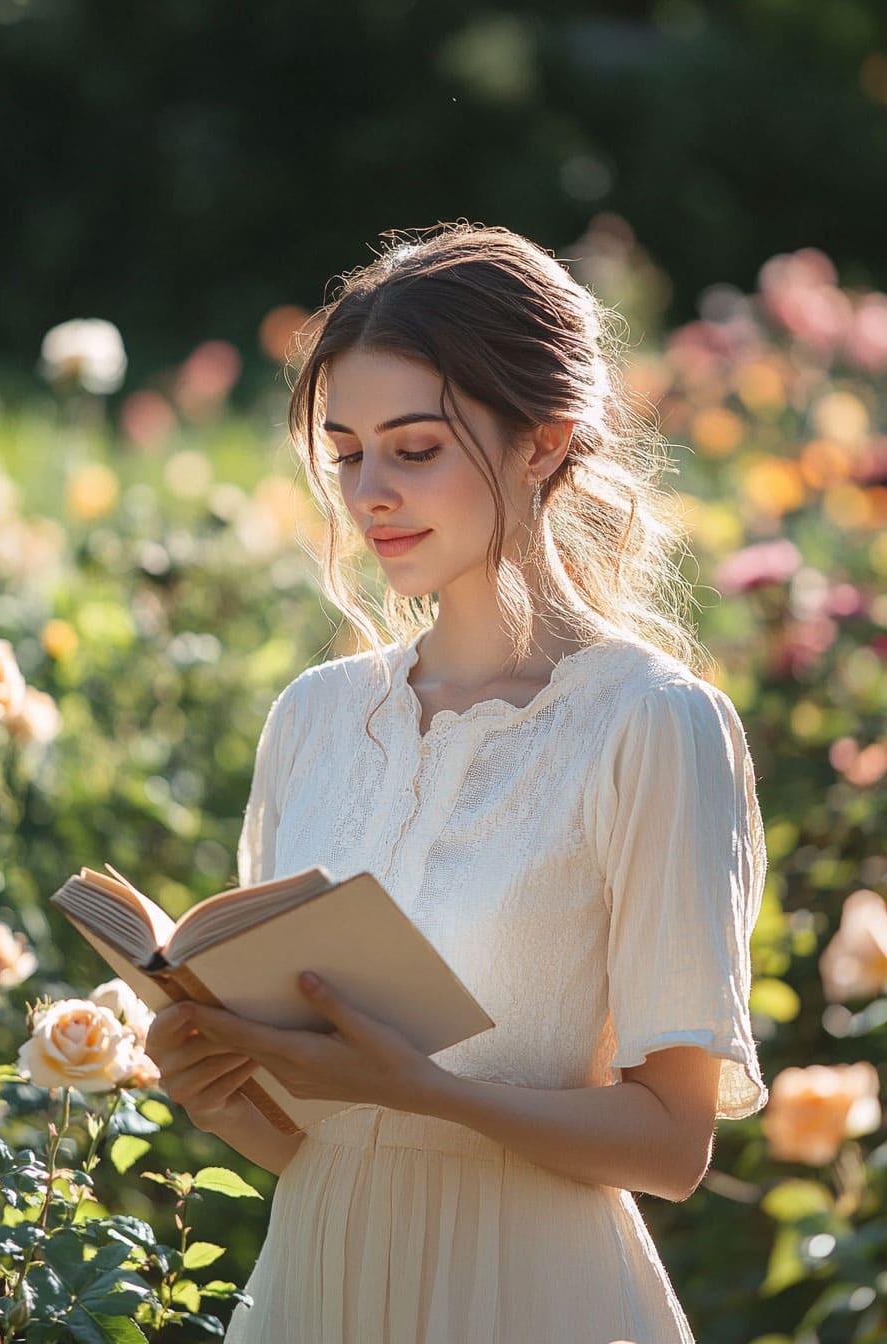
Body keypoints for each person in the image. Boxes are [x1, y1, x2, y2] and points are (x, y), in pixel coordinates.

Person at [145, 222, 769, 1343]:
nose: (369, 492)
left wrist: (419, 1088)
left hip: (535, 1299)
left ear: (541, 441)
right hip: (315, 1292)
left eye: (415, 448)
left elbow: (672, 1146)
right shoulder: (315, 720)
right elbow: (320, 1143)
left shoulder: (648, 724)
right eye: (346, 452)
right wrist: (222, 1096)